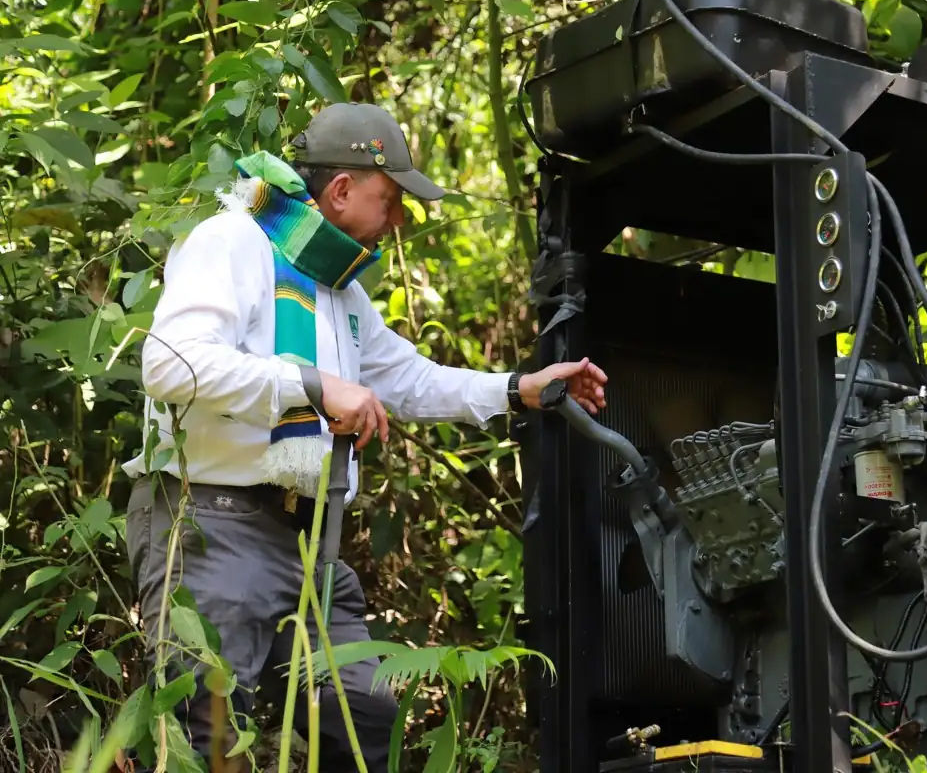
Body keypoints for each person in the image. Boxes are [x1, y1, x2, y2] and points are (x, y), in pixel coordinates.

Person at [120, 102, 607, 772]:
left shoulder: (339, 291)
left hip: (307, 543)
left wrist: (520, 388)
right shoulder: (232, 242)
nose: (399, 219)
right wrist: (312, 385)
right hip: (213, 523)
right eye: (392, 199)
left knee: (365, 724)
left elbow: (409, 378)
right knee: (205, 742)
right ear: (343, 189)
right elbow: (171, 364)